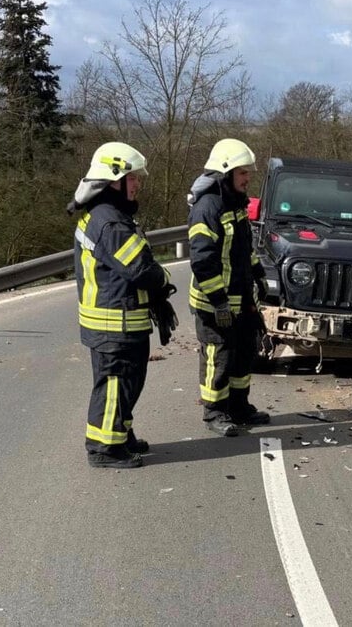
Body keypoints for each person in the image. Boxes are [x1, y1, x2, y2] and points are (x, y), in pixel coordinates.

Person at [68, 142, 174, 468]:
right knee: (116, 382)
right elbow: (139, 268)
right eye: (132, 178)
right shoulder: (110, 222)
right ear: (114, 180)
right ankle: (104, 449)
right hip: (114, 323)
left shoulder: (108, 215)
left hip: (117, 320)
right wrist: (163, 279)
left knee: (128, 381)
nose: (137, 183)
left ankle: (119, 433)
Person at [187, 138, 270, 436]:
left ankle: (238, 406)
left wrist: (259, 275)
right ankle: (214, 412)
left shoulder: (236, 204)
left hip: (240, 299)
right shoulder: (208, 207)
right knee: (218, 356)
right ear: (225, 173)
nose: (248, 179)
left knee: (243, 353)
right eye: (243, 173)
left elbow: (243, 249)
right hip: (215, 303)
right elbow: (203, 261)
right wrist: (219, 301)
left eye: (248, 173)